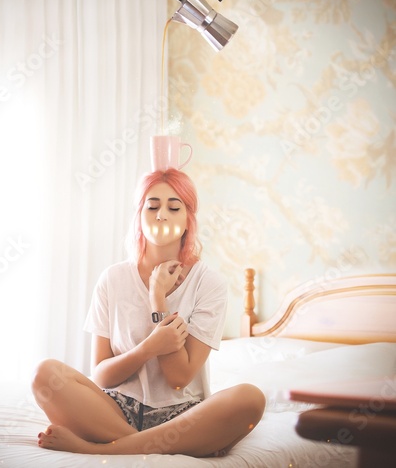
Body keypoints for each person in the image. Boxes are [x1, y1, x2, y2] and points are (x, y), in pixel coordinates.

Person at [32, 168, 265, 457]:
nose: (161, 215)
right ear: (139, 216)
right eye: (152, 206)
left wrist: (158, 299)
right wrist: (147, 349)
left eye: (173, 207)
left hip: (182, 417)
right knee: (44, 375)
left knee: (250, 399)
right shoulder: (113, 278)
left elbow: (179, 377)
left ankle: (97, 449)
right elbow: (102, 376)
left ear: (188, 219)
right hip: (116, 411)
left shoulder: (209, 284)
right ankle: (138, 445)